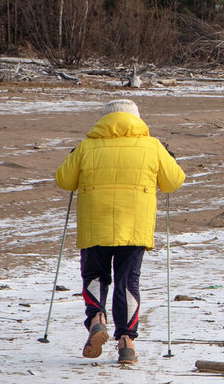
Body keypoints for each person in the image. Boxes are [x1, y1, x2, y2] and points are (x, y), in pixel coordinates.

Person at [55, 99, 185, 365]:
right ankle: (127, 342)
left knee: (95, 276)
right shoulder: (152, 146)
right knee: (128, 282)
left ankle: (96, 319)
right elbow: (174, 182)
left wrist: (73, 156)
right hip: (134, 226)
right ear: (136, 119)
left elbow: (63, 180)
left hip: (95, 224)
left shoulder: (87, 146)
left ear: (105, 120)